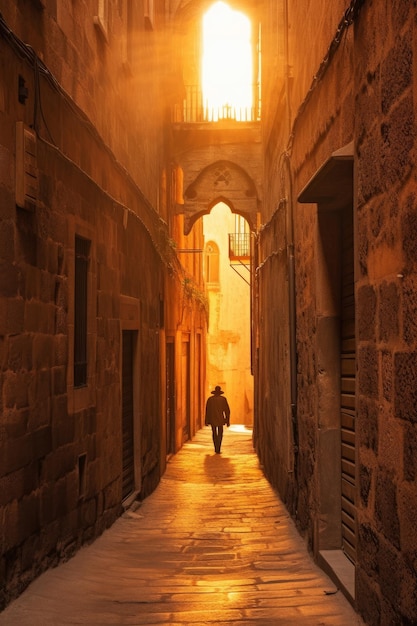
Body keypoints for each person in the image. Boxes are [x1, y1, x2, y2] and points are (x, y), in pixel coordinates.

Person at [205, 385, 230, 453]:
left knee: (214, 433)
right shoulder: (223, 399)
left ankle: (216, 447)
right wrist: (227, 421)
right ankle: (218, 447)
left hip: (212, 419)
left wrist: (206, 421)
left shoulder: (210, 399)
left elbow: (207, 411)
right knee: (220, 433)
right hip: (220, 419)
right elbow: (227, 410)